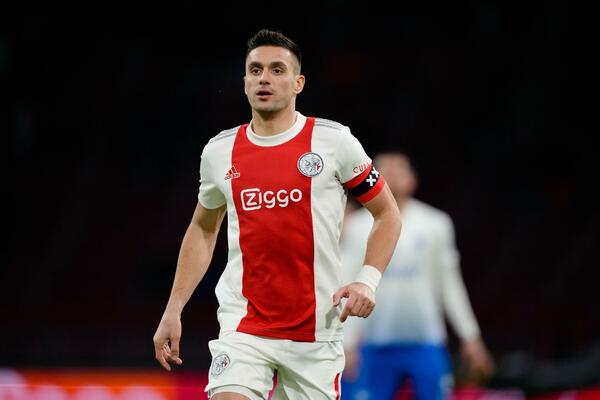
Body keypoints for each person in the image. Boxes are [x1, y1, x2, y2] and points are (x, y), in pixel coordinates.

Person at [152, 29, 402, 400]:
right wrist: (173, 308)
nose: (264, 78)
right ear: (244, 83)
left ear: (298, 83)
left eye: (277, 70)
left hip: (316, 332)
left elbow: (387, 213)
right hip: (244, 328)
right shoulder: (219, 152)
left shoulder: (334, 142)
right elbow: (203, 229)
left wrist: (367, 280)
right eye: (255, 70)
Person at [341, 152, 495, 400]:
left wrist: (471, 336)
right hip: (373, 344)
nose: (391, 175)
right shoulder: (357, 226)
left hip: (426, 341)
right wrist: (346, 343)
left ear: (412, 180)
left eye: (398, 170)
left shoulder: (436, 224)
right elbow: (346, 283)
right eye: (383, 170)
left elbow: (449, 284)